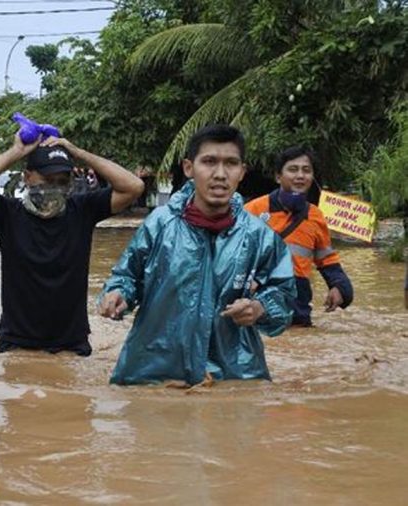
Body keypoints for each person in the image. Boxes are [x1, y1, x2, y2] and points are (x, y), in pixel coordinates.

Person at [99, 124, 296, 386]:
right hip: (153, 373)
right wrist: (117, 296)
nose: (220, 174)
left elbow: (284, 293)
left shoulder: (259, 236)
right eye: (209, 162)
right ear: (189, 168)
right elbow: (127, 277)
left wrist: (260, 308)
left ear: (242, 172)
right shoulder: (159, 224)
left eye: (231, 163)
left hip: (234, 375)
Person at [0, 133, 145, 355]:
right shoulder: (7, 215)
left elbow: (133, 186)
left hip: (72, 344)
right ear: (27, 178)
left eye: (62, 181)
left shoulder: (82, 210)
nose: (55, 187)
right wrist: (16, 152)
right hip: (18, 344)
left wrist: (78, 152)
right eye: (47, 179)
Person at [243, 146, 353, 326]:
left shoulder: (316, 216)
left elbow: (327, 260)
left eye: (306, 170)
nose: (300, 176)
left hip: (298, 311)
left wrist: (340, 287)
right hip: (257, 312)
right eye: (293, 169)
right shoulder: (252, 211)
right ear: (278, 176)